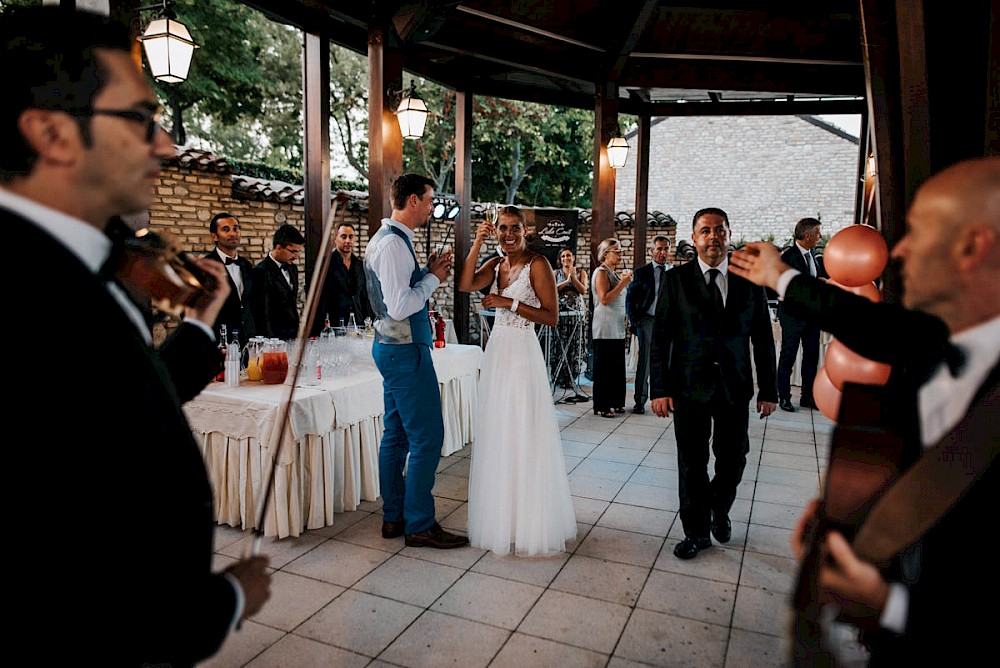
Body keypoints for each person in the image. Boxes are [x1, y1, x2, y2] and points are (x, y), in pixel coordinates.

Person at [0, 6, 270, 665]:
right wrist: (224, 602)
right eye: (141, 118)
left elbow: (118, 409)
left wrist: (202, 323)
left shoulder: (103, 263)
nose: (168, 146)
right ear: (52, 133)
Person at [729, 156, 1000, 664]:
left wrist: (888, 603)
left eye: (921, 231)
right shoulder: (935, 338)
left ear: (973, 247)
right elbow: (866, 324)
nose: (900, 250)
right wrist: (851, 507)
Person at [649, 207, 777, 560]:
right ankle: (696, 533)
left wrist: (770, 390)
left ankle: (719, 511)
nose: (713, 236)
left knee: (734, 459)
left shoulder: (748, 282)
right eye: (705, 230)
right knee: (691, 463)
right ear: (694, 238)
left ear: (728, 235)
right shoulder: (676, 281)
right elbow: (660, 339)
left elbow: (763, 339)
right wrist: (657, 389)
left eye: (719, 230)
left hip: (734, 387)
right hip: (687, 387)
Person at [458, 205, 577, 556]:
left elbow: (552, 317)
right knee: (499, 431)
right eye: (501, 229)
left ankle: (529, 520)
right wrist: (477, 244)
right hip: (497, 354)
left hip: (523, 353)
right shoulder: (496, 264)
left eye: (514, 229)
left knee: (523, 430)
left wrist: (508, 303)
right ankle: (501, 516)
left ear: (526, 231)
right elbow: (466, 284)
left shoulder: (538, 264)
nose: (508, 235)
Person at [363, 173, 469, 549]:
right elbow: (401, 305)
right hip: (404, 350)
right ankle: (420, 523)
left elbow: (401, 290)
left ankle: (394, 517)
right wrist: (435, 280)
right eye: (427, 200)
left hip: (394, 348)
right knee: (427, 437)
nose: (430, 207)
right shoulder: (392, 245)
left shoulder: (391, 241)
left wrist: (425, 271)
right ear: (411, 201)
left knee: (397, 435)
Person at [776, 217, 826, 411]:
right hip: (793, 316)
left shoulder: (813, 255)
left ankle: (807, 397)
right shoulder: (787, 257)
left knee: (811, 357)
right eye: (817, 232)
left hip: (812, 316)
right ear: (807, 235)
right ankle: (784, 397)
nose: (820, 236)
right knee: (787, 357)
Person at [625, 235, 673, 414]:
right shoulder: (641, 273)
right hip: (647, 320)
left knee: (667, 362)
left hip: (667, 323)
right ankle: (640, 401)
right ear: (652, 251)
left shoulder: (672, 273)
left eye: (666, 249)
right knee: (644, 362)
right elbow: (630, 299)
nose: (663, 252)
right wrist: (635, 321)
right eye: (659, 248)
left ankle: (665, 400)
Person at [591, 238, 633, 418]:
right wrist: (623, 284)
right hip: (604, 326)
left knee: (616, 366)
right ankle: (603, 405)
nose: (620, 255)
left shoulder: (614, 273)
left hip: (616, 326)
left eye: (621, 251)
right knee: (604, 367)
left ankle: (616, 401)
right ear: (605, 253)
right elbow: (605, 299)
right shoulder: (601, 272)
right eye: (617, 251)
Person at [310, 222, 373, 335]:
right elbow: (319, 299)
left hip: (357, 323)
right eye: (343, 237)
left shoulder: (360, 265)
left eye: (351, 237)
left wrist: (368, 319)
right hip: (333, 323)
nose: (347, 241)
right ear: (335, 239)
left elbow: (364, 296)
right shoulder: (325, 264)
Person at [204, 211, 255, 347]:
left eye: (236, 228)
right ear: (214, 236)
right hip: (220, 343)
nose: (233, 233)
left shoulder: (246, 265)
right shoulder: (206, 266)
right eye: (226, 230)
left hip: (247, 341)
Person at [251, 223, 304, 340]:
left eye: (299, 252)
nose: (297, 257)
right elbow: (262, 313)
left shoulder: (292, 268)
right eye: (293, 252)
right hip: (273, 338)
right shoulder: (260, 271)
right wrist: (270, 342)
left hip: (293, 335)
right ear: (279, 248)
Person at [552, 247, 589, 397]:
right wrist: (566, 281)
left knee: (575, 343)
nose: (566, 258)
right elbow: (552, 289)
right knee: (560, 343)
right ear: (560, 260)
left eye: (568, 255)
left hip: (576, 313)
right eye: (563, 256)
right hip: (561, 312)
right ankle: (559, 376)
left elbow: (583, 290)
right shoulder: (555, 273)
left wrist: (573, 278)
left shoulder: (581, 273)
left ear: (573, 257)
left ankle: (571, 377)